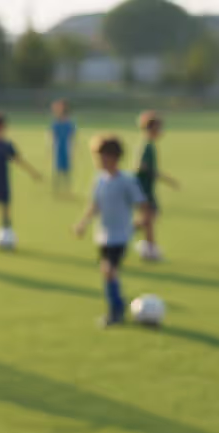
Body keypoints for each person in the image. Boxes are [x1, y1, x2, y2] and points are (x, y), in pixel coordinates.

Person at [73, 135, 148, 327]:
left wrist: (141, 221)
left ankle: (116, 311)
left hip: (121, 235)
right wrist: (82, 224)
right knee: (107, 272)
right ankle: (117, 306)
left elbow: (141, 203)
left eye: (101, 157)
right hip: (103, 235)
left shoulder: (126, 181)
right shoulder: (100, 180)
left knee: (109, 270)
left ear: (113, 157)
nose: (98, 161)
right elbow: (95, 205)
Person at [0, 111, 41, 251]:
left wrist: (33, 172)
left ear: (3, 127)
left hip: (4, 183)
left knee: (6, 212)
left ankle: (7, 239)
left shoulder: (7, 145)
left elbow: (18, 160)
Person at [134, 110, 180, 262]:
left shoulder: (150, 145)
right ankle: (150, 250)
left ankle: (145, 246)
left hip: (146, 189)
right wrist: (165, 179)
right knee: (149, 219)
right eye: (159, 128)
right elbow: (142, 166)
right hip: (143, 189)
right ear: (151, 129)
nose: (161, 131)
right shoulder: (146, 146)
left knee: (149, 219)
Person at [49, 99, 77, 198]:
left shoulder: (69, 123)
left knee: (67, 170)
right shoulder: (56, 123)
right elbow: (52, 135)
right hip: (58, 147)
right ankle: (56, 189)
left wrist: (72, 149)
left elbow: (72, 136)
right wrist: (52, 146)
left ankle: (67, 190)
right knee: (57, 168)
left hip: (66, 147)